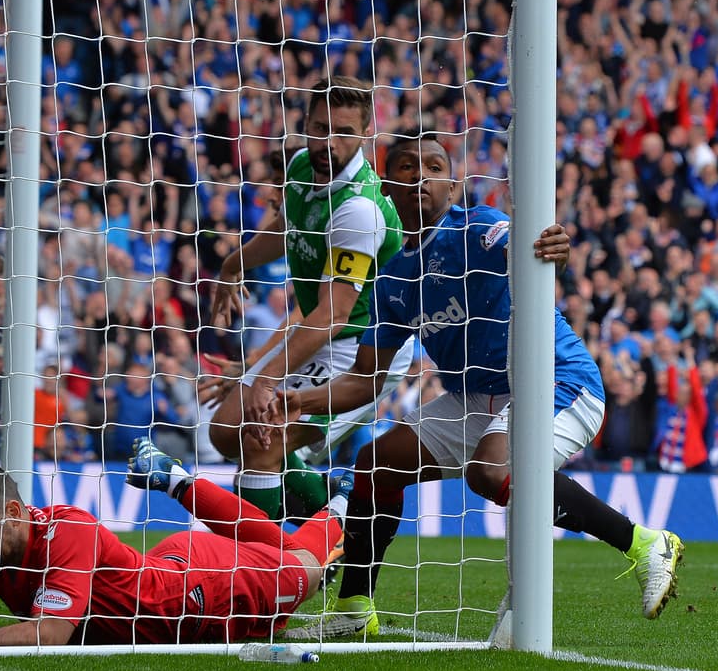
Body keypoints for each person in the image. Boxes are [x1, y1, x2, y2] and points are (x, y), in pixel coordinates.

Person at [277, 136, 684, 637]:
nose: (421, 176)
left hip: (556, 379)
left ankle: (644, 543)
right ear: (388, 187)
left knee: (491, 472)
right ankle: (355, 610)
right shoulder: (393, 279)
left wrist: (553, 251)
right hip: (476, 399)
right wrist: (298, 400)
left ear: (453, 183)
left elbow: (532, 250)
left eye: (434, 166)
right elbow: (364, 382)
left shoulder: (478, 229)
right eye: (407, 167)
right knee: (376, 464)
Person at [0, 439, 348, 648]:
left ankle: (341, 505)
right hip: (169, 565)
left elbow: (48, 636)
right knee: (285, 553)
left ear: (13, 513)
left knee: (306, 566)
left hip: (204, 592)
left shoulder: (67, 530)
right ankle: (177, 481)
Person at [207, 76, 415, 520]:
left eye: (343, 132)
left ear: (364, 135)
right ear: (305, 124)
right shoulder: (302, 166)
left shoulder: (358, 209)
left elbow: (331, 317)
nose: (328, 142)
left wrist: (265, 379)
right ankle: (329, 509)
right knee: (224, 431)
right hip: (322, 329)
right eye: (320, 128)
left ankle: (261, 575)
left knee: (261, 438)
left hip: (362, 347)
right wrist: (233, 265)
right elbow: (285, 232)